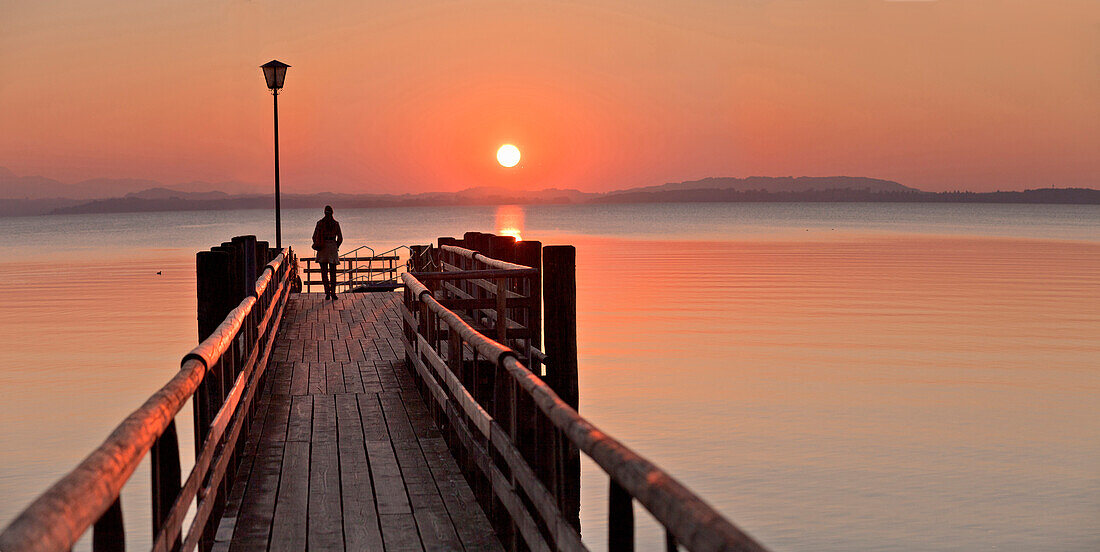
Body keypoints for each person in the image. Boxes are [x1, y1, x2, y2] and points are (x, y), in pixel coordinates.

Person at [312, 205, 343, 300]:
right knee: (333, 272)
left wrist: (318, 243)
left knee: (324, 272)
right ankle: (333, 292)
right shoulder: (336, 224)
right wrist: (336, 245)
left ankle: (327, 293)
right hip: (332, 247)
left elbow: (314, 237)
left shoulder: (320, 223)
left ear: (324, 213)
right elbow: (340, 238)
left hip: (323, 247)